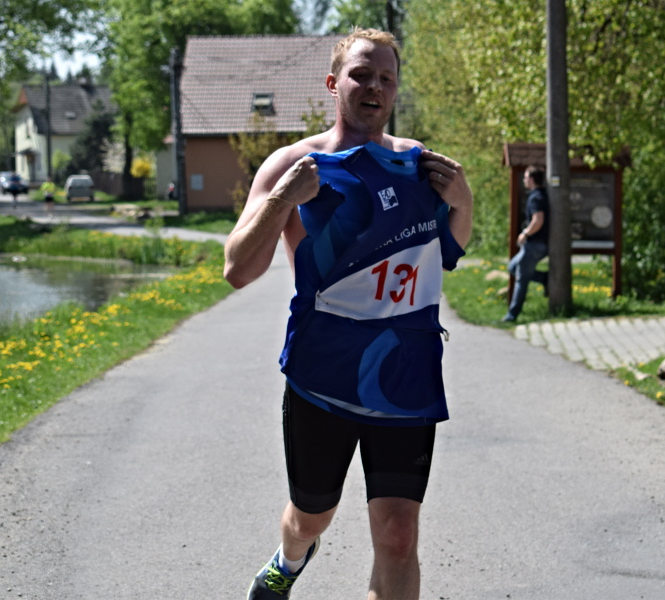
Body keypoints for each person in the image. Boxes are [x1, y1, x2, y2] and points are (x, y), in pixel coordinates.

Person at [224, 28, 473, 600]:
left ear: (396, 90)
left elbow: (447, 252)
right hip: (322, 377)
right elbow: (238, 268)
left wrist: (464, 203)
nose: (375, 87)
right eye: (362, 74)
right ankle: (288, 559)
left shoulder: (417, 164)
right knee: (310, 517)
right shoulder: (293, 164)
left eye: (387, 78)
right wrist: (283, 199)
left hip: (404, 376)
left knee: (399, 535)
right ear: (333, 84)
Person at [502, 165, 549, 322]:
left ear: (532, 179)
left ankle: (512, 315)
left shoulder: (536, 197)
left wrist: (525, 233)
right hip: (536, 244)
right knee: (512, 267)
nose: (524, 180)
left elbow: (538, 219)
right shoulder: (540, 194)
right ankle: (545, 278)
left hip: (535, 244)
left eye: (526, 177)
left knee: (521, 279)